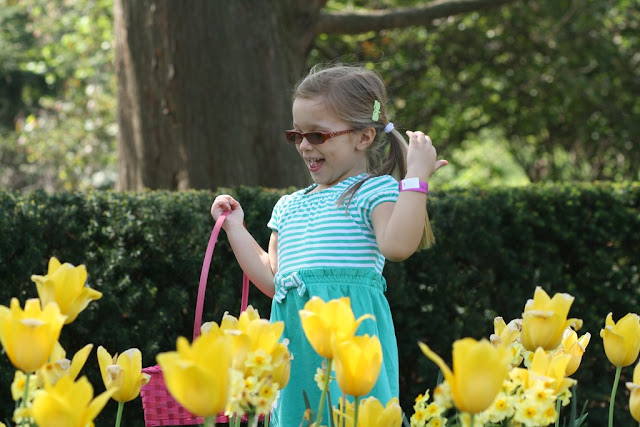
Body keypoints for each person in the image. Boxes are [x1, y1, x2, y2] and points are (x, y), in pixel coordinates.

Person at [210, 64, 447, 426]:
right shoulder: (288, 206)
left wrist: (415, 178)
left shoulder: (373, 191)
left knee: (353, 415)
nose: (305, 145)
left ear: (363, 137)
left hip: (350, 340)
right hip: (295, 343)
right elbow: (274, 280)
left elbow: (398, 246)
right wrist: (235, 229)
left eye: (317, 135)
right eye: (296, 135)